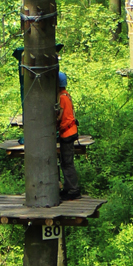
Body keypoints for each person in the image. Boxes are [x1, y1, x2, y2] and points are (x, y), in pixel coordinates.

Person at [56, 70, 82, 201]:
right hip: (70, 131)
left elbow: (60, 116)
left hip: (67, 133)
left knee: (67, 163)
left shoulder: (61, 98)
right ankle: (68, 188)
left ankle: (73, 190)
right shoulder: (66, 95)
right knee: (65, 161)